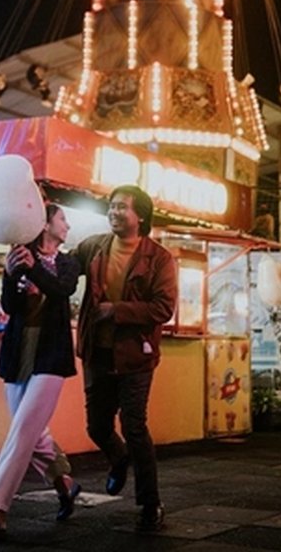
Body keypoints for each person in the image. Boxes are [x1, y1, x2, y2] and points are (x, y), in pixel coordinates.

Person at [73, 185, 177, 532]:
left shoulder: (158, 258)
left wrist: (115, 311)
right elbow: (63, 269)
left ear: (140, 216)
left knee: (135, 427)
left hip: (135, 356)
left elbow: (163, 308)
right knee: (97, 426)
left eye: (122, 208)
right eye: (112, 206)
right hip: (96, 353)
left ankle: (150, 503)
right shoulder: (94, 246)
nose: (114, 212)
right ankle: (119, 460)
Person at [0, 204, 83, 545]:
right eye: (62, 219)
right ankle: (64, 484)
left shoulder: (69, 261)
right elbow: (10, 307)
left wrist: (31, 266)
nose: (67, 224)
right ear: (46, 224)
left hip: (51, 354)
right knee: (32, 431)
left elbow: (61, 289)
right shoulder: (18, 256)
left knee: (23, 431)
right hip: (18, 351)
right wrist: (9, 275)